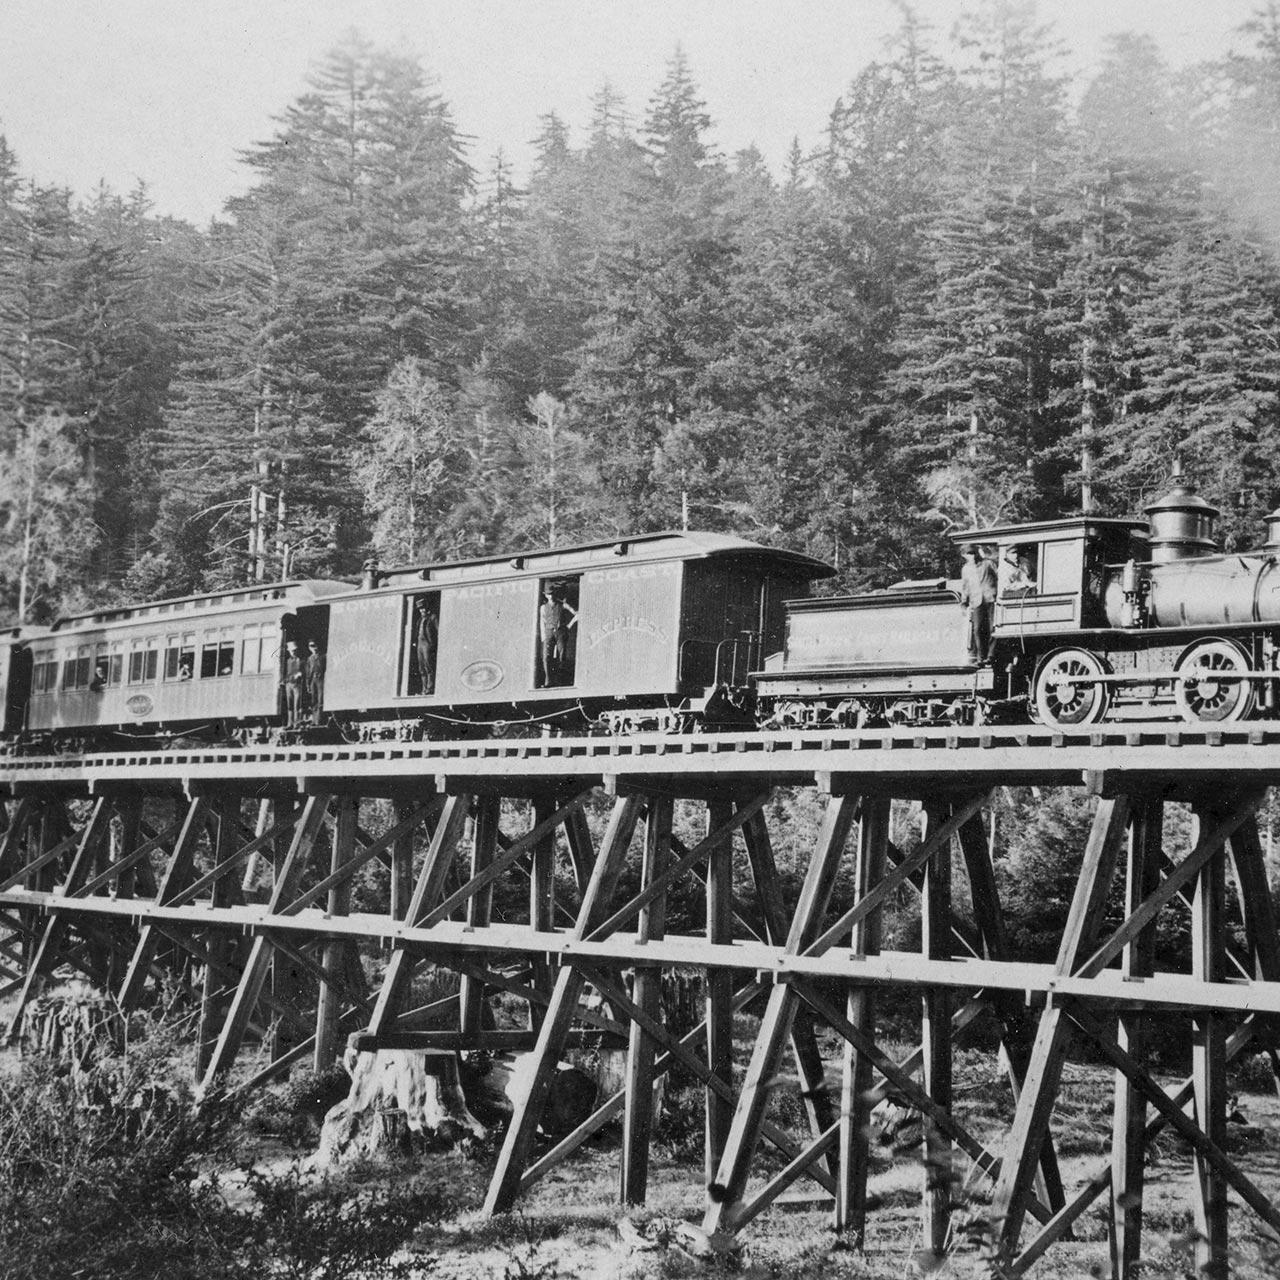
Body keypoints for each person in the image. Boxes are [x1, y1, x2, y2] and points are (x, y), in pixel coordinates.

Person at [958, 544, 997, 665]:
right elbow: (965, 586)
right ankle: (981, 657)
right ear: (964, 556)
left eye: (973, 553)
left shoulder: (988, 563)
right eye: (969, 554)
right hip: (976, 600)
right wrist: (964, 602)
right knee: (978, 629)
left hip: (990, 598)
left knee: (993, 627)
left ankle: (991, 655)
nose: (972, 556)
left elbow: (999, 576)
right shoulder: (965, 569)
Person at [539, 587, 578, 685]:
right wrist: (543, 635)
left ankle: (561, 680)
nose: (550, 596)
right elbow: (542, 621)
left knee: (562, 656)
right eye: (548, 594)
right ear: (545, 595)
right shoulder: (543, 607)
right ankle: (548, 681)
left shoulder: (562, 605)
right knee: (546, 657)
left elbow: (577, 614)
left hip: (560, 632)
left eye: (552, 594)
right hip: (548, 632)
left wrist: (568, 626)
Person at [415, 600, 438, 694]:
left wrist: (434, 643)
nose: (422, 610)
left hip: (427, 644)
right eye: (420, 609)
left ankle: (430, 688)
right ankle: (424, 689)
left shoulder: (432, 617)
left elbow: (438, 629)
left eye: (423, 608)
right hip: (420, 644)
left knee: (429, 666)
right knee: (421, 667)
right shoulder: (420, 619)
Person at [282, 639, 304, 727]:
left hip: (297, 685)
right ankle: (290, 723)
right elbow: (286, 673)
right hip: (289, 685)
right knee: (289, 704)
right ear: (289, 651)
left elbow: (303, 671)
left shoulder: (300, 660)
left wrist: (300, 674)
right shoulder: (287, 661)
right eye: (292, 651)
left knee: (297, 704)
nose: (293, 652)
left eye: (294, 651)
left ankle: (296, 722)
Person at [305, 640, 326, 725]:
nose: (313, 648)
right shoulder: (310, 658)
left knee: (320, 699)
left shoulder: (323, 657)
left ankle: (319, 720)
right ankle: (314, 720)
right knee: (314, 700)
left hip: (320, 679)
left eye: (314, 646)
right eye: (311, 646)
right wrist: (308, 684)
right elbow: (308, 672)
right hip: (313, 680)